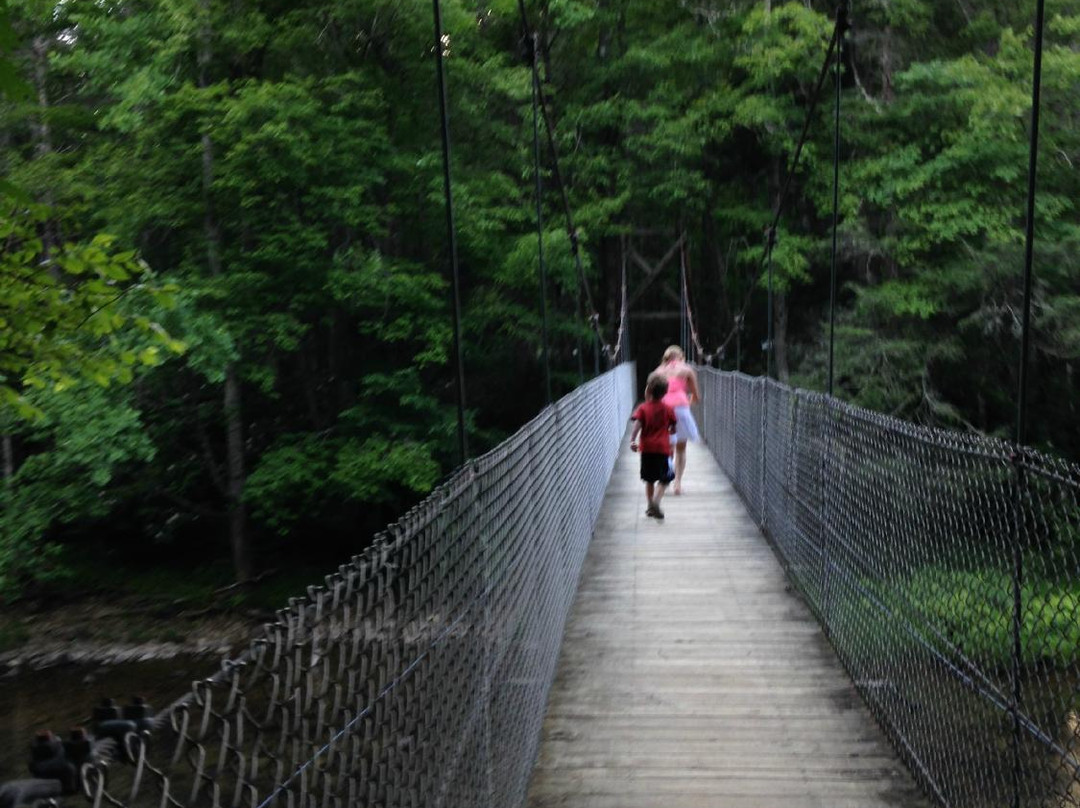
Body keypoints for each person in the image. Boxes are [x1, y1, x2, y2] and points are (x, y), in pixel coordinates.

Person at [630, 372, 677, 519]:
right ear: (665, 392)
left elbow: (637, 425)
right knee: (666, 478)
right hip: (662, 449)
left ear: (648, 390)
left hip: (646, 449)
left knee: (649, 479)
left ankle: (650, 505)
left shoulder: (643, 408)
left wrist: (632, 440)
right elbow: (673, 428)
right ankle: (656, 501)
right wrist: (669, 430)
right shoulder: (668, 409)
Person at [654, 345, 700, 495]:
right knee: (681, 447)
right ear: (681, 357)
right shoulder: (686, 370)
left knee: (667, 448)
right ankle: (678, 484)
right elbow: (696, 396)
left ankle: (665, 477)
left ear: (665, 358)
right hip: (681, 409)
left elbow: (650, 394)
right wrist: (688, 401)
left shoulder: (658, 372)